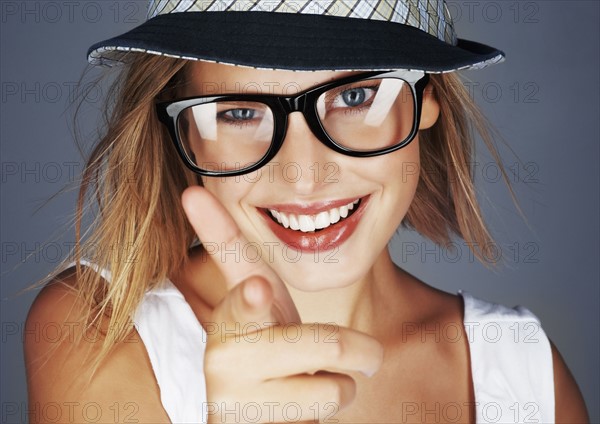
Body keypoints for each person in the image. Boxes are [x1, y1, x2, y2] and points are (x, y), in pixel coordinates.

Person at [24, 0, 589, 423]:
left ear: (428, 103)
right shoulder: (94, 329)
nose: (305, 174)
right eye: (240, 112)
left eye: (354, 97)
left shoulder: (522, 368)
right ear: (181, 135)